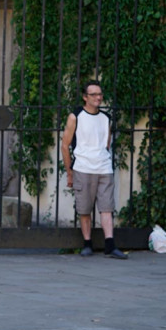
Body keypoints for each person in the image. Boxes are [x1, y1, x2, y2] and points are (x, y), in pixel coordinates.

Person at [60, 83, 127, 259]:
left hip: (104, 167)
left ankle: (110, 245)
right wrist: (69, 172)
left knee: (107, 207)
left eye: (100, 94)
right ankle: (87, 243)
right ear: (85, 97)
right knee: (84, 208)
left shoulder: (106, 118)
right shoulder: (76, 116)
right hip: (83, 167)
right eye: (94, 94)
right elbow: (65, 145)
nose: (98, 97)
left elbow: (107, 142)